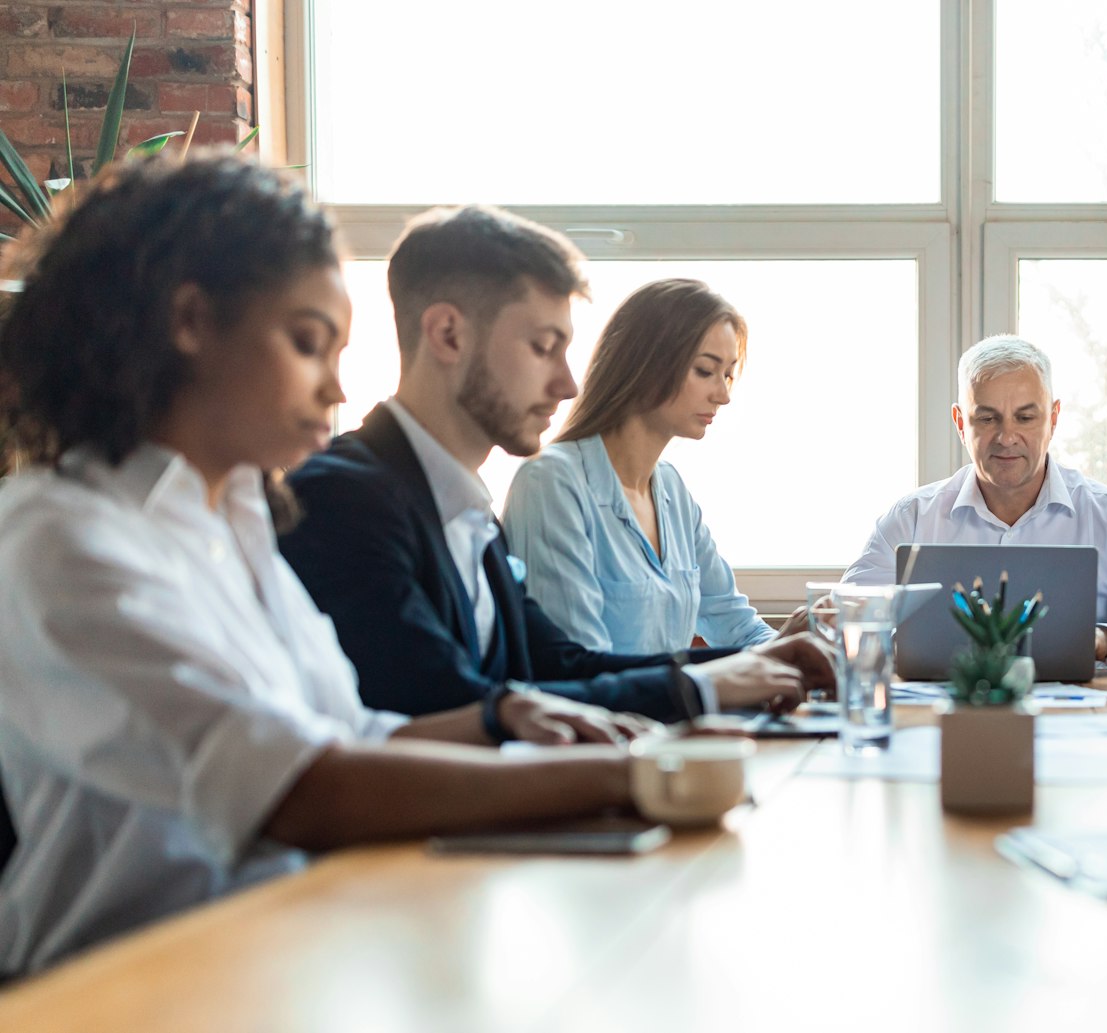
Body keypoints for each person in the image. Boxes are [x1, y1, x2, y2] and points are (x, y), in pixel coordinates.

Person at [0, 154, 676, 976]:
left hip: (285, 948)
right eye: (308, 343)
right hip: (128, 986)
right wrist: (630, 773)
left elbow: (349, 731)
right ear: (191, 322)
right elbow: (299, 786)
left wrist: (500, 721)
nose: (335, 388)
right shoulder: (63, 536)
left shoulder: (239, 522)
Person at [280, 206, 832, 724]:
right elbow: (451, 706)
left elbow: (559, 667)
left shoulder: (469, 514)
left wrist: (754, 664)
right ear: (448, 334)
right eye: (544, 347)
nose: (567, 385)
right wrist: (703, 690)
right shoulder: (341, 498)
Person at [843, 335, 1107, 663]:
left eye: (1025, 417)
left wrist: (1103, 640)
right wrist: (892, 640)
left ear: (1053, 419)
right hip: (939, 718)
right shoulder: (911, 519)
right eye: (987, 418)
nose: (1006, 437)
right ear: (960, 423)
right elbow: (840, 625)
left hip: (1081, 721)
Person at [505, 279, 799, 654]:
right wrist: (713, 681)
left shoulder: (672, 489)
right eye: (705, 371)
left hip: (674, 711)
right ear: (645, 364)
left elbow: (736, 626)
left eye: (727, 374)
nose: (723, 396)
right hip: (608, 712)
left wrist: (799, 648)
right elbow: (579, 664)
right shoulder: (551, 484)